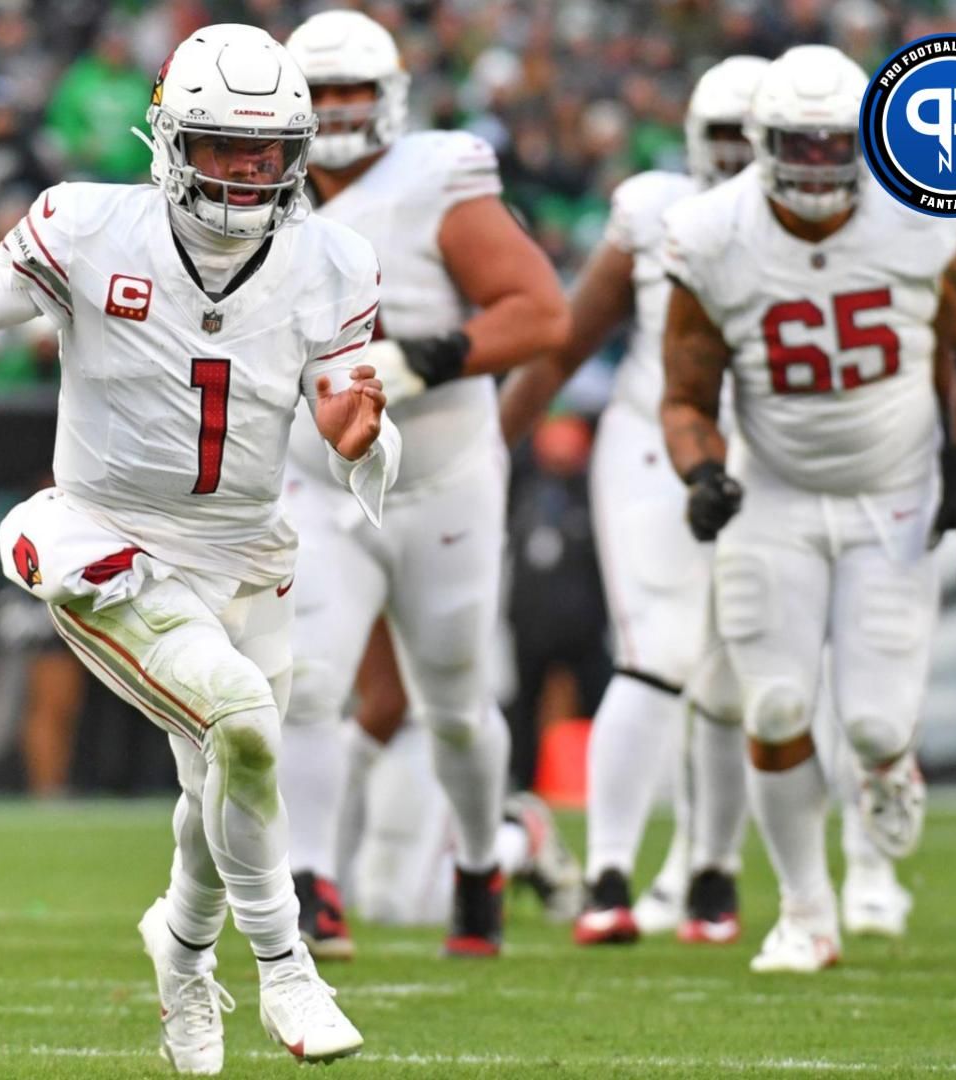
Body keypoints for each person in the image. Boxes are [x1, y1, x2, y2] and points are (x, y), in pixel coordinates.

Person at [0, 25, 385, 1070]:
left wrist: (362, 436)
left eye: (267, 152)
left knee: (216, 783)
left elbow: (348, 401)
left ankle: (179, 946)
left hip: (246, 553)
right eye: (223, 148)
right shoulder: (89, 227)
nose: (248, 173)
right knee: (246, 727)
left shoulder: (333, 259)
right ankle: (286, 965)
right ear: (170, 141)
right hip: (109, 542)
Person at [659, 45, 956, 973]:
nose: (816, 165)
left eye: (832, 145)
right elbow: (686, 396)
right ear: (760, 143)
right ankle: (807, 916)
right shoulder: (711, 232)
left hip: (894, 494)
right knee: (773, 705)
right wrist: (701, 474)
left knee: (877, 727)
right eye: (796, 146)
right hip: (772, 492)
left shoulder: (921, 216)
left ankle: (891, 772)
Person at [276, 9, 572, 961]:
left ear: (389, 95)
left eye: (353, 91)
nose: (337, 111)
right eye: (319, 94)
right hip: (320, 483)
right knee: (309, 684)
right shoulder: (251, 187)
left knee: (451, 699)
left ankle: (482, 862)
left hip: (439, 479)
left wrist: (432, 356)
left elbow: (541, 314)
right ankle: (311, 882)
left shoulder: (434, 178)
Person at [497, 55, 767, 946]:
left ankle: (711, 878)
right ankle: (610, 871)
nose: (741, 157)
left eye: (755, 138)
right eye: (724, 137)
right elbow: (569, 339)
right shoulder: (657, 210)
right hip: (654, 446)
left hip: (763, 457)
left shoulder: (823, 230)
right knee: (655, 654)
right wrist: (494, 436)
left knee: (732, 678)